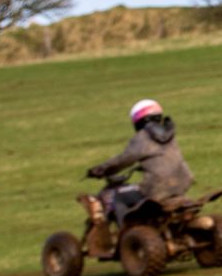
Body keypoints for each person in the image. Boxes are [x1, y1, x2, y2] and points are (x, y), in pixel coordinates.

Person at [83, 99, 194, 243]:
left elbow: (123, 160)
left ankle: (128, 235)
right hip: (183, 183)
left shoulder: (141, 138)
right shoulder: (170, 134)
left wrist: (101, 170)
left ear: (138, 120)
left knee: (118, 196)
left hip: (158, 188)